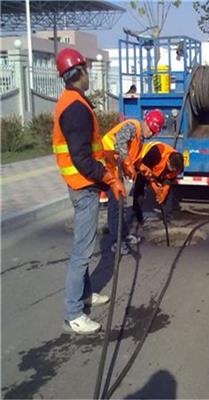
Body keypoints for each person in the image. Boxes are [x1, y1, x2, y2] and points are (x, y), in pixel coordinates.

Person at [53, 48, 126, 335]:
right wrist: (109, 178)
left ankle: (84, 294)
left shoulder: (74, 102)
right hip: (83, 188)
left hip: (81, 186)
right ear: (77, 73)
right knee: (82, 252)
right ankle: (73, 313)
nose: (89, 74)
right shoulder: (75, 109)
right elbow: (83, 159)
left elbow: (89, 150)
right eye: (86, 69)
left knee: (84, 245)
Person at [101, 109, 165, 254]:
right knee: (115, 204)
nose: (152, 135)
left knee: (121, 204)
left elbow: (134, 158)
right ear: (148, 123)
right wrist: (128, 162)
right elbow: (120, 142)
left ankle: (123, 235)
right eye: (152, 131)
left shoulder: (139, 138)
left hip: (115, 167)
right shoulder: (132, 126)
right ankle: (116, 242)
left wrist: (142, 168)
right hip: (108, 163)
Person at [132, 141, 184, 223]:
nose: (174, 171)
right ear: (168, 162)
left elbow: (169, 178)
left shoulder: (178, 164)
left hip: (160, 171)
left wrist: (164, 191)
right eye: (172, 169)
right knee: (139, 186)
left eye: (175, 170)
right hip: (145, 166)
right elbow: (144, 171)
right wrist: (155, 187)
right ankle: (137, 215)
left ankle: (167, 217)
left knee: (167, 192)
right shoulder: (156, 152)